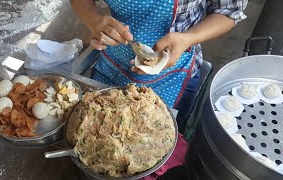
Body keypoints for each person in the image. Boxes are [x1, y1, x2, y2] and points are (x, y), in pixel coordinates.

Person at [70, 0, 247, 178]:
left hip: (174, 74)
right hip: (112, 65)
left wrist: (188, 38)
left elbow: (229, 10)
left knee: (153, 159)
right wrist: (94, 21)